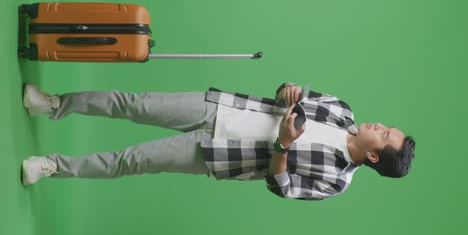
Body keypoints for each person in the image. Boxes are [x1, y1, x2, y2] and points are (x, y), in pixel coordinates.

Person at [21, 83, 416, 201]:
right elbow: (281, 95)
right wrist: (288, 91)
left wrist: (283, 146)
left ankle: (53, 166)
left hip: (219, 156)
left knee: (131, 161)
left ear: (376, 154)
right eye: (384, 125)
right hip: (221, 109)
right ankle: (52, 104)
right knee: (135, 103)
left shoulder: (337, 181)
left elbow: (282, 188)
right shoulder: (341, 110)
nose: (378, 125)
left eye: (383, 133)